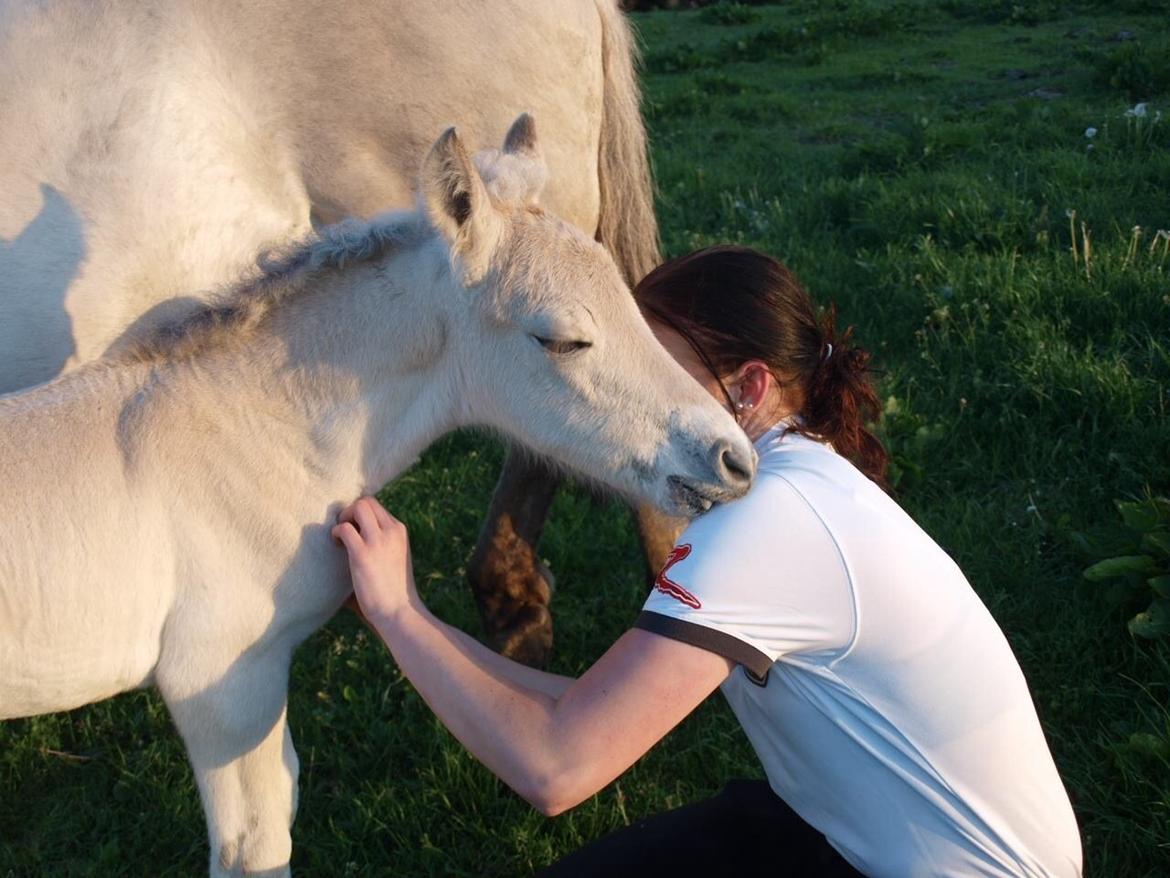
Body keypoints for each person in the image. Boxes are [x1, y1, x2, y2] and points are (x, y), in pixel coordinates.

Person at [332, 246, 1083, 876]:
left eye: (661, 365)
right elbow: (583, 708)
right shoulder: (792, 483)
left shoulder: (770, 524)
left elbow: (555, 766)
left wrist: (401, 614)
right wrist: (413, 621)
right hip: (842, 834)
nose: (636, 392)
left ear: (749, 387)